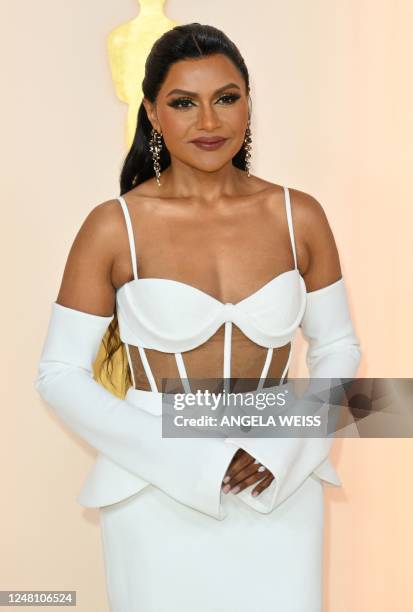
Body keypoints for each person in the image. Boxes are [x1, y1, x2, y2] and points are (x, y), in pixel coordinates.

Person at [34, 23, 362, 612]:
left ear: (247, 104)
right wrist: (200, 461)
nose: (209, 123)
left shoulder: (299, 216)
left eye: (226, 98)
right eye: (184, 103)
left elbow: (339, 349)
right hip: (156, 488)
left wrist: (280, 449)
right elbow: (59, 374)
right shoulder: (114, 226)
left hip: (279, 488)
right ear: (153, 114)